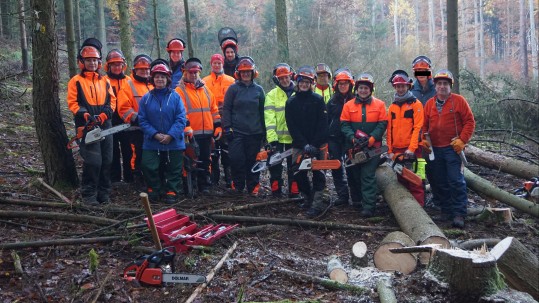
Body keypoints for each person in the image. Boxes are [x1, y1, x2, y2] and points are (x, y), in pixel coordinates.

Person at [421, 69, 475, 228]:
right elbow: (424, 125)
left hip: (453, 148)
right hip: (435, 149)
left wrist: (462, 140)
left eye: (445, 84)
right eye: (439, 84)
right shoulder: (430, 103)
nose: (442, 86)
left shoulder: (459, 101)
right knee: (439, 181)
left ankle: (459, 213)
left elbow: (470, 122)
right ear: (435, 86)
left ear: (450, 85)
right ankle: (446, 210)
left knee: (455, 180)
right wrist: (424, 139)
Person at [67, 38, 116, 205]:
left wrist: (105, 115)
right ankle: (89, 194)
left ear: (99, 62)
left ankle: (104, 193)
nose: (92, 63)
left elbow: (112, 101)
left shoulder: (105, 80)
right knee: (94, 161)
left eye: (95, 60)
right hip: (86, 124)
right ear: (82, 62)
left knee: (107, 159)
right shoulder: (76, 81)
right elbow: (72, 103)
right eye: (89, 60)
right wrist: (85, 114)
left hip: (105, 123)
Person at [138, 60, 187, 204]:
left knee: (175, 167)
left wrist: (171, 135)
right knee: (148, 165)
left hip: (174, 140)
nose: (160, 79)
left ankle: (172, 190)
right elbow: (143, 120)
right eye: (157, 76)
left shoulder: (176, 97)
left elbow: (181, 118)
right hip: (152, 140)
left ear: (168, 79)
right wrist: (155, 134)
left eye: (163, 77)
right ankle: (154, 189)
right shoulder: (146, 99)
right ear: (152, 79)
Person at [340, 73, 387, 217]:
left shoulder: (380, 104)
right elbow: (344, 124)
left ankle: (369, 206)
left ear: (370, 89)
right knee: (355, 175)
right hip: (354, 147)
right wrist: (353, 138)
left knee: (367, 175)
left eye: (366, 88)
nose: (363, 90)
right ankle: (360, 201)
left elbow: (382, 124)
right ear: (357, 89)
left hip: (373, 147)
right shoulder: (348, 105)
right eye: (361, 88)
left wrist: (372, 138)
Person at [285, 66, 329, 218]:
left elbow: (323, 124)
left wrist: (315, 145)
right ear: (297, 82)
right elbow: (292, 126)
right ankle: (307, 197)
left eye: (307, 82)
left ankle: (317, 204)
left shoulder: (318, 100)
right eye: (301, 82)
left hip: (318, 143)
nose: (304, 84)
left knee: (319, 175)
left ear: (311, 83)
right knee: (298, 172)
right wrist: (303, 144)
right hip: (299, 144)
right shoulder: (291, 102)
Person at [175, 58, 221, 194]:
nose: (194, 75)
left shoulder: (206, 90)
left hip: (207, 133)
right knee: (190, 161)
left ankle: (204, 185)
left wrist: (217, 125)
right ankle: (191, 185)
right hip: (191, 134)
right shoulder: (180, 91)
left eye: (196, 72)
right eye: (191, 72)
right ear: (185, 73)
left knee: (206, 159)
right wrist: (186, 127)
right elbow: (180, 112)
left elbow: (213, 109)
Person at [222, 56, 266, 196]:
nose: (246, 74)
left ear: (253, 73)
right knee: (236, 160)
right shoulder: (233, 89)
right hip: (237, 132)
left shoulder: (259, 90)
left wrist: (265, 132)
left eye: (248, 71)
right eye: (243, 72)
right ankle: (238, 186)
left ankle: (253, 187)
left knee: (253, 161)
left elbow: (263, 112)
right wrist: (227, 127)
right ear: (238, 73)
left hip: (254, 132)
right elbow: (226, 109)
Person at [386, 70, 425, 206]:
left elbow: (418, 128)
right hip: (397, 149)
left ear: (408, 86)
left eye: (403, 86)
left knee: (415, 180)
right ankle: (405, 206)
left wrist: (412, 148)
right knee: (401, 179)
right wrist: (390, 150)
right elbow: (389, 130)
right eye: (398, 86)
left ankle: (419, 208)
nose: (400, 88)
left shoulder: (416, 104)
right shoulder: (392, 107)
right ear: (395, 87)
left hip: (413, 149)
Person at [116, 54, 154, 183]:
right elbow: (123, 108)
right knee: (138, 155)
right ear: (135, 70)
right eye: (141, 69)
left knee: (152, 155)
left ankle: (150, 179)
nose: (144, 72)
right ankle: (138, 178)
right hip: (136, 129)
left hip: (153, 128)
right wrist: (136, 118)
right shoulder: (128, 85)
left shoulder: (153, 84)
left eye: (147, 69)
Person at [264, 63, 300, 198]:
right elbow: (269, 119)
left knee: (295, 165)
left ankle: (294, 189)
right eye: (281, 78)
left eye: (286, 77)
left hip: (294, 137)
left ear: (291, 76)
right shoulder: (271, 95)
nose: (284, 80)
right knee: (275, 165)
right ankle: (276, 189)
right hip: (277, 138)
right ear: (277, 79)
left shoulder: (298, 92)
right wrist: (272, 139)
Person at [202, 54, 235, 188]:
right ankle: (214, 177)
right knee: (213, 150)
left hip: (227, 119)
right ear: (211, 65)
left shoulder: (231, 80)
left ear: (222, 64)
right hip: (211, 120)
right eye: (214, 63)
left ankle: (229, 177)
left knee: (227, 150)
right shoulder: (204, 81)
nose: (217, 65)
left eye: (219, 63)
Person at [326, 68, 355, 206]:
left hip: (350, 138)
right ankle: (342, 196)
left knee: (351, 166)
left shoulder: (356, 100)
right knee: (336, 166)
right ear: (336, 85)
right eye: (340, 83)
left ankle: (356, 196)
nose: (343, 86)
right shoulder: (332, 101)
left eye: (345, 83)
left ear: (350, 85)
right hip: (334, 137)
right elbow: (326, 120)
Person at [103, 49, 132, 184]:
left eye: (119, 64)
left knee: (128, 150)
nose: (116, 67)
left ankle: (129, 176)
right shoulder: (104, 80)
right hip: (110, 121)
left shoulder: (129, 80)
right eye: (114, 65)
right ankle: (115, 177)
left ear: (123, 65)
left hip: (126, 120)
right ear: (108, 66)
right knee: (112, 151)